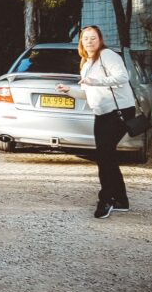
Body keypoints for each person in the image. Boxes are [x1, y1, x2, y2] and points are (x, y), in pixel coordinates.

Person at [56, 25, 136, 219]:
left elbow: (123, 77)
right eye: (85, 38)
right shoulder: (86, 64)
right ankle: (121, 200)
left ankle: (106, 200)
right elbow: (88, 94)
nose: (89, 41)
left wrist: (94, 81)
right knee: (106, 156)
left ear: (100, 40)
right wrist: (69, 91)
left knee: (105, 156)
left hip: (119, 112)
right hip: (102, 114)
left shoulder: (107, 55)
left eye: (93, 38)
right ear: (81, 42)